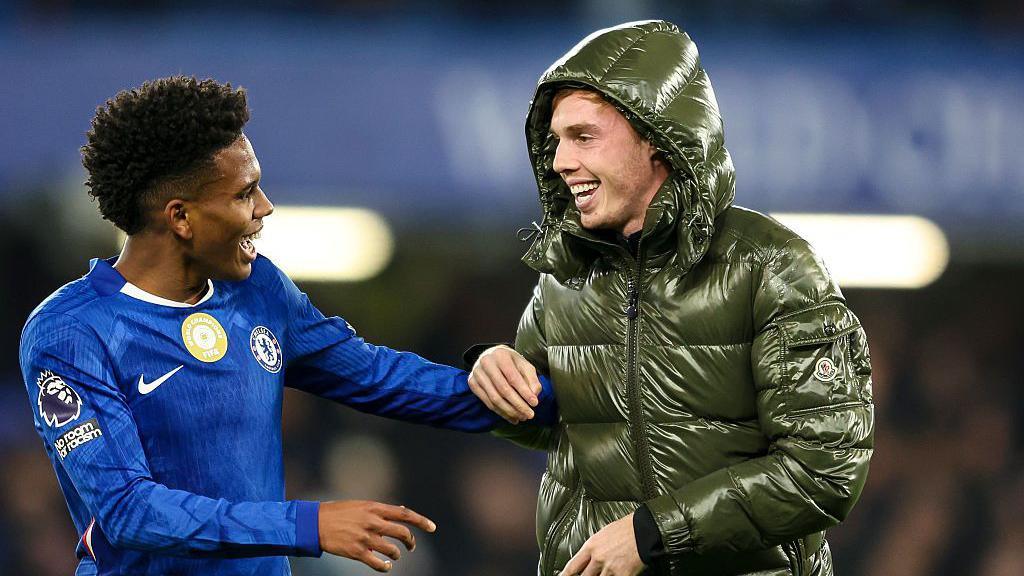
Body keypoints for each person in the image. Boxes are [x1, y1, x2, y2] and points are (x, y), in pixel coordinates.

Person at [19, 76, 552, 576]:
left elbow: (380, 376)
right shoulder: (71, 334)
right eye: (243, 194)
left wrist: (547, 396)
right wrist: (309, 523)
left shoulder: (258, 290)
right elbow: (130, 511)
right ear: (180, 218)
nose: (265, 208)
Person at [469, 20, 875, 576]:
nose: (560, 160)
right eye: (556, 140)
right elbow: (557, 424)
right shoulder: (564, 276)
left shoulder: (774, 266)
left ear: (657, 136)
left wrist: (654, 533)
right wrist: (491, 369)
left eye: (584, 137)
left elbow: (826, 467)